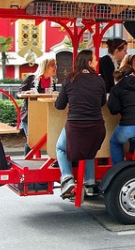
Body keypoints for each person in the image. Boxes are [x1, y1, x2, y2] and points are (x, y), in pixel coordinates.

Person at [54, 49, 107, 198]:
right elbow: (103, 102)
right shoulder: (99, 80)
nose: (97, 62)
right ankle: (89, 183)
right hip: (97, 127)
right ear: (89, 63)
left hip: (75, 127)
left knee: (60, 148)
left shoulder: (69, 79)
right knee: (88, 150)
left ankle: (67, 178)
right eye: (95, 60)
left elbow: (59, 106)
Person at [17, 57, 57, 155]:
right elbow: (18, 93)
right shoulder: (31, 78)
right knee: (32, 140)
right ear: (45, 66)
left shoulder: (52, 82)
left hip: (44, 115)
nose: (55, 67)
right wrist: (26, 92)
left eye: (56, 65)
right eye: (53, 65)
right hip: (29, 115)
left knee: (42, 140)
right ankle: (27, 160)